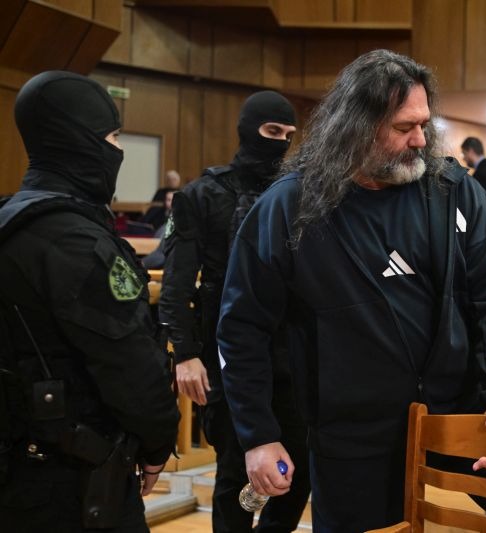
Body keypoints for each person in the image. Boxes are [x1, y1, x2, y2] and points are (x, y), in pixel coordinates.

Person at [217, 49, 486, 533]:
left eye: (424, 124)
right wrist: (258, 435)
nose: (420, 139)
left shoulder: (453, 191)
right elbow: (242, 328)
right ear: (356, 126)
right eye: (404, 127)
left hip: (462, 415)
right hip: (352, 435)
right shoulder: (290, 207)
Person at [0, 70, 179, 531]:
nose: (118, 150)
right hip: (74, 481)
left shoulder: (9, 220)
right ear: (79, 140)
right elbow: (130, 365)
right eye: (113, 137)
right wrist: (158, 443)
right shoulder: (77, 243)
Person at [159, 90, 310, 533]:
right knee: (234, 470)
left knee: (298, 467)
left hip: (292, 351)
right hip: (227, 352)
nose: (281, 142)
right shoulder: (202, 195)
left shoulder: (298, 193)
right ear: (248, 129)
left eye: (289, 135)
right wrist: (186, 353)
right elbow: (177, 283)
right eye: (271, 131)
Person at [141, 190, 174, 270]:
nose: (170, 203)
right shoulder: (157, 212)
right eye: (167, 200)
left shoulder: (173, 225)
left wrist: (140, 264)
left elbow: (160, 255)